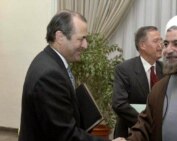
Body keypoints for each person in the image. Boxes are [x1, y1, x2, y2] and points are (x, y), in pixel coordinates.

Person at [18, 10, 125, 141]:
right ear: (60, 37)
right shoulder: (50, 75)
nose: (86, 45)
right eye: (81, 39)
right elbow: (65, 136)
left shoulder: (50, 61)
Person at [112, 26, 164, 138]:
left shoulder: (166, 70)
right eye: (156, 41)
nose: (160, 45)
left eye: (161, 41)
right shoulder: (124, 69)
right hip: (131, 131)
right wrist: (145, 124)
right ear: (142, 45)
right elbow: (119, 104)